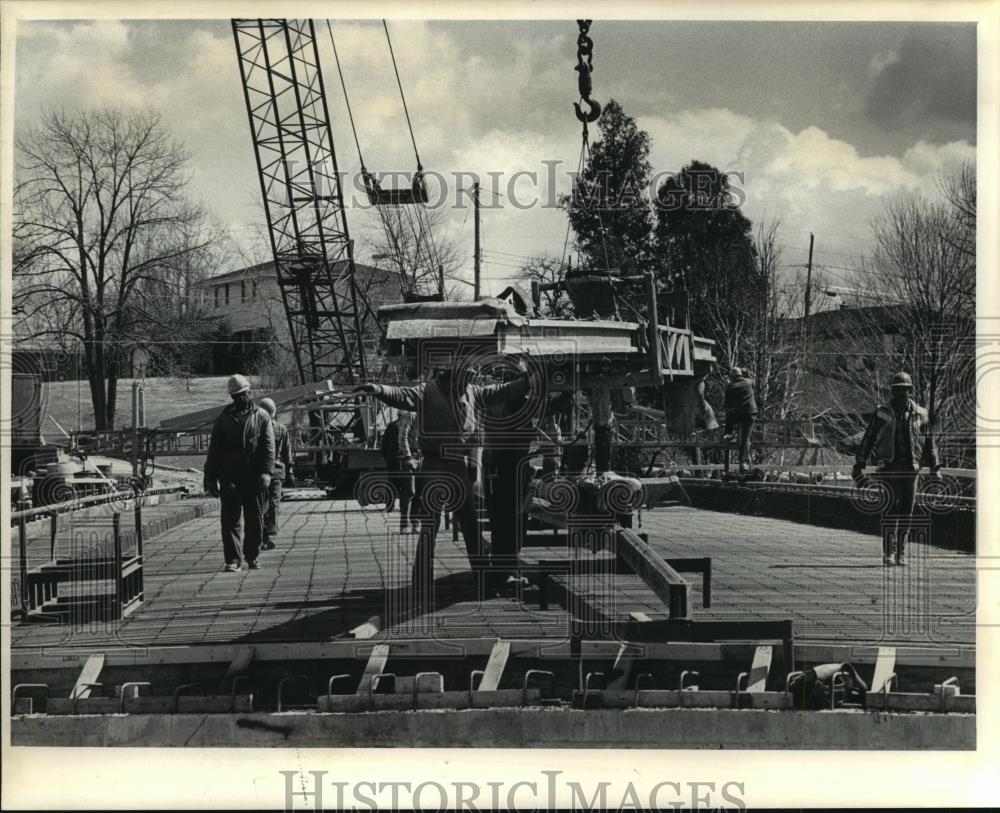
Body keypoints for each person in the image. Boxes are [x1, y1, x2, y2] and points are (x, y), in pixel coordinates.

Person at [355, 355, 536, 605]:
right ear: (455, 375)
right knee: (431, 527)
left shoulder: (472, 393)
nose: (471, 381)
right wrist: (377, 389)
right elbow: (400, 394)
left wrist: (530, 379)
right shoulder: (427, 392)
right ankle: (422, 584)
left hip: (458, 466)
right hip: (436, 466)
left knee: (471, 527)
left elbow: (503, 391)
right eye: (468, 376)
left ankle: (483, 582)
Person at [853, 371, 942, 566]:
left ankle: (901, 553)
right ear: (892, 392)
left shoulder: (921, 414)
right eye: (897, 391)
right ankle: (888, 553)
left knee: (907, 511)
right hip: (889, 467)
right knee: (890, 509)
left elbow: (930, 441)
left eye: (905, 390)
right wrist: (859, 464)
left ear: (910, 391)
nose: (901, 394)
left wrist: (935, 465)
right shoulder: (882, 412)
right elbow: (868, 439)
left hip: (911, 468)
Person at [203, 374, 274, 572]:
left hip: (254, 478)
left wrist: (267, 472)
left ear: (249, 392)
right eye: (236, 396)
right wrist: (210, 479)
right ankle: (233, 560)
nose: (240, 398)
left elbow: (269, 448)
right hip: (230, 477)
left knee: (255, 520)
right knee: (230, 522)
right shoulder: (223, 420)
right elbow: (214, 451)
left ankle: (252, 556)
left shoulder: (261, 416)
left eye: (242, 394)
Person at [259, 397, 293, 551]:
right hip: (278, 472)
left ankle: (260, 535)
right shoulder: (281, 429)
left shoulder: (256, 429)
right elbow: (287, 453)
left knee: (260, 504)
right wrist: (290, 471)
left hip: (259, 473)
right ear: (274, 412)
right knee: (274, 504)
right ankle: (271, 535)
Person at [380, 410, 419, 533]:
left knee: (418, 491)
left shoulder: (426, 417)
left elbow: (384, 447)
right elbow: (400, 440)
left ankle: (414, 521)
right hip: (404, 458)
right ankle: (405, 522)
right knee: (409, 489)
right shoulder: (405, 420)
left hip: (416, 457)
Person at [724, 367, 757, 473]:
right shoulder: (749, 382)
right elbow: (752, 377)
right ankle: (743, 462)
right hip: (750, 413)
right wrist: (746, 371)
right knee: (745, 438)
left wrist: (726, 385)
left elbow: (726, 404)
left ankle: (728, 433)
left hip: (737, 414)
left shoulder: (730, 386)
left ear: (732, 377)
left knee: (729, 415)